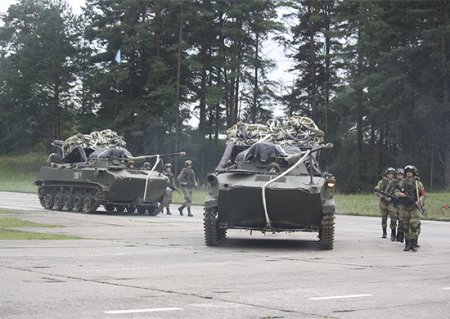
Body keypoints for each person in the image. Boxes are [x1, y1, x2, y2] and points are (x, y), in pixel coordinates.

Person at [394, 165, 426, 252]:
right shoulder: (402, 183)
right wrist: (400, 194)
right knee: (405, 227)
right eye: (407, 172)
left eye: (410, 172)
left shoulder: (418, 183)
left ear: (413, 173)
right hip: (404, 207)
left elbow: (423, 194)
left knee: (414, 225)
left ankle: (413, 243)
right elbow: (396, 192)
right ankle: (407, 244)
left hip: (414, 208)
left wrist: (420, 201)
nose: (409, 173)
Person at [374, 167, 396, 238]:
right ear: (386, 174)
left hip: (392, 203)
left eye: (392, 174)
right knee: (384, 218)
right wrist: (381, 195)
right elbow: (376, 190)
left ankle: (393, 233)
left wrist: (393, 197)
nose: (390, 175)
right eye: (389, 174)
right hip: (383, 203)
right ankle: (384, 232)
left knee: (393, 218)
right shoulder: (381, 182)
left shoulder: (396, 182)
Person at [385, 168, 404, 242]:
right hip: (393, 203)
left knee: (402, 220)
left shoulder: (405, 183)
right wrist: (388, 198)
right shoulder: (392, 183)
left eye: (401, 175)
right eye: (399, 175)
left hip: (401, 204)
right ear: (396, 175)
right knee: (393, 218)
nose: (400, 176)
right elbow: (386, 192)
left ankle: (400, 234)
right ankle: (393, 233)